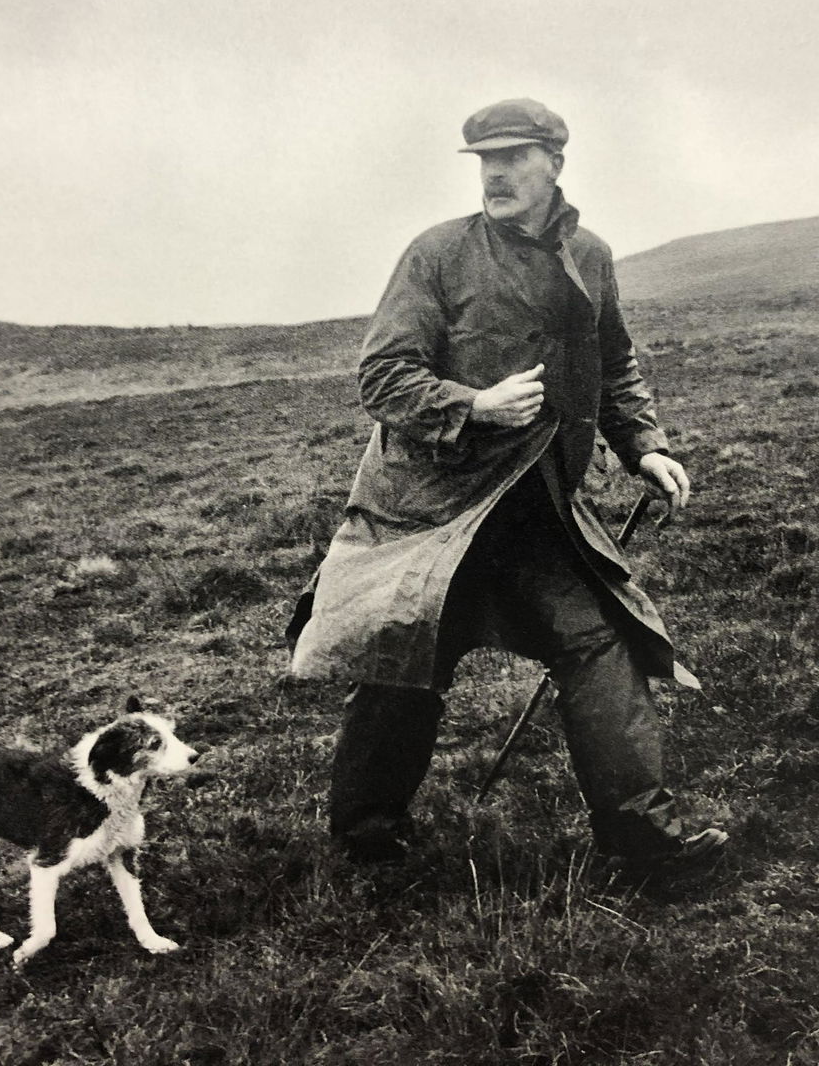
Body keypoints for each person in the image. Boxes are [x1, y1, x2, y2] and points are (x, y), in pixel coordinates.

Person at [287, 97, 726, 871]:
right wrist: (474, 406)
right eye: (484, 160)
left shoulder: (590, 254)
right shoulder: (437, 254)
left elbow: (614, 361)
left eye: (513, 156)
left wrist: (644, 447)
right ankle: (366, 841)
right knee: (403, 664)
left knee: (598, 643)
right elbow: (382, 376)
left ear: (553, 164)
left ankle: (643, 840)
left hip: (536, 510)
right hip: (428, 511)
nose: (494, 173)